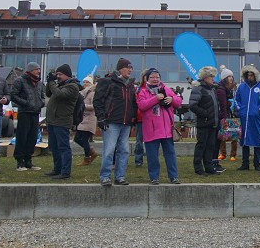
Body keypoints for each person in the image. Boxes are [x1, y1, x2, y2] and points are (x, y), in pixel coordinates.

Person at [93, 57, 138, 186]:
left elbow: (133, 103)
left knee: (124, 150)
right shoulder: (107, 82)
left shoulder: (130, 86)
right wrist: (101, 118)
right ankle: (105, 176)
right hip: (111, 122)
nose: (130, 70)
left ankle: (120, 176)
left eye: (131, 68)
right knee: (109, 150)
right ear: (120, 69)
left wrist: (133, 118)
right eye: (128, 67)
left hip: (126, 123)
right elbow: (98, 100)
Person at [137, 67, 183, 184]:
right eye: (152, 77)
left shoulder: (166, 89)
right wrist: (155, 99)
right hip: (151, 130)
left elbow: (178, 102)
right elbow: (141, 106)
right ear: (147, 79)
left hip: (166, 129)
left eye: (157, 77)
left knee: (170, 154)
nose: (155, 79)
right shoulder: (143, 91)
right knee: (152, 156)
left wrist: (171, 99)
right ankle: (154, 177)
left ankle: (174, 176)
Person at [43, 64, 81, 180]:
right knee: (54, 147)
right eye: (57, 74)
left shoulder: (72, 86)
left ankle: (65, 172)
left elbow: (59, 95)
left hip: (62, 121)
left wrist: (52, 83)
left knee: (63, 147)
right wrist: (50, 82)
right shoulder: (60, 85)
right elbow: (49, 93)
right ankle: (57, 169)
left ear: (67, 75)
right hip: (53, 121)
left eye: (60, 74)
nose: (58, 76)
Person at [9, 62, 45, 171]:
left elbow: (42, 96)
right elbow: (13, 95)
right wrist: (25, 103)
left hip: (35, 113)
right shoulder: (20, 81)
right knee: (22, 137)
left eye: (39, 69)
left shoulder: (39, 83)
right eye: (36, 69)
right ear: (30, 70)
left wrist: (40, 103)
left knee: (33, 137)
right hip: (24, 112)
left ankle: (29, 160)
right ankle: (20, 161)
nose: (38, 71)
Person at [188, 66, 223, 176]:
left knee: (210, 146)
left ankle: (209, 167)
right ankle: (198, 168)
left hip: (213, 123)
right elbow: (193, 105)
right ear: (205, 77)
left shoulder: (211, 89)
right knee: (201, 145)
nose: (213, 78)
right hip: (204, 122)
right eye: (211, 76)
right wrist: (206, 114)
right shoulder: (198, 89)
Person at [233, 64, 260, 170]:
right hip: (244, 118)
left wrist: (258, 111)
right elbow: (236, 99)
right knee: (244, 140)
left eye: (251, 75)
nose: (250, 77)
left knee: (257, 140)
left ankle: (257, 164)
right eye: (248, 75)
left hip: (256, 118)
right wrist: (240, 110)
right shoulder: (241, 87)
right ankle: (245, 164)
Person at [75, 76, 99, 165]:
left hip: (89, 119)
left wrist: (83, 106)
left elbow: (94, 106)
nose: (85, 84)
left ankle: (87, 158)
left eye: (87, 82)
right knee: (77, 138)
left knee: (84, 139)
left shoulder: (92, 93)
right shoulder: (83, 93)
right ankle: (91, 152)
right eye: (84, 82)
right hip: (82, 119)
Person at [217, 67, 239, 162]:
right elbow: (222, 104)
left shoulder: (234, 88)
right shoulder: (222, 89)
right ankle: (223, 153)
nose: (231, 78)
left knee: (234, 135)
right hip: (225, 114)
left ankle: (233, 154)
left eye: (232, 76)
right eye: (229, 76)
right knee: (223, 135)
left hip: (233, 113)